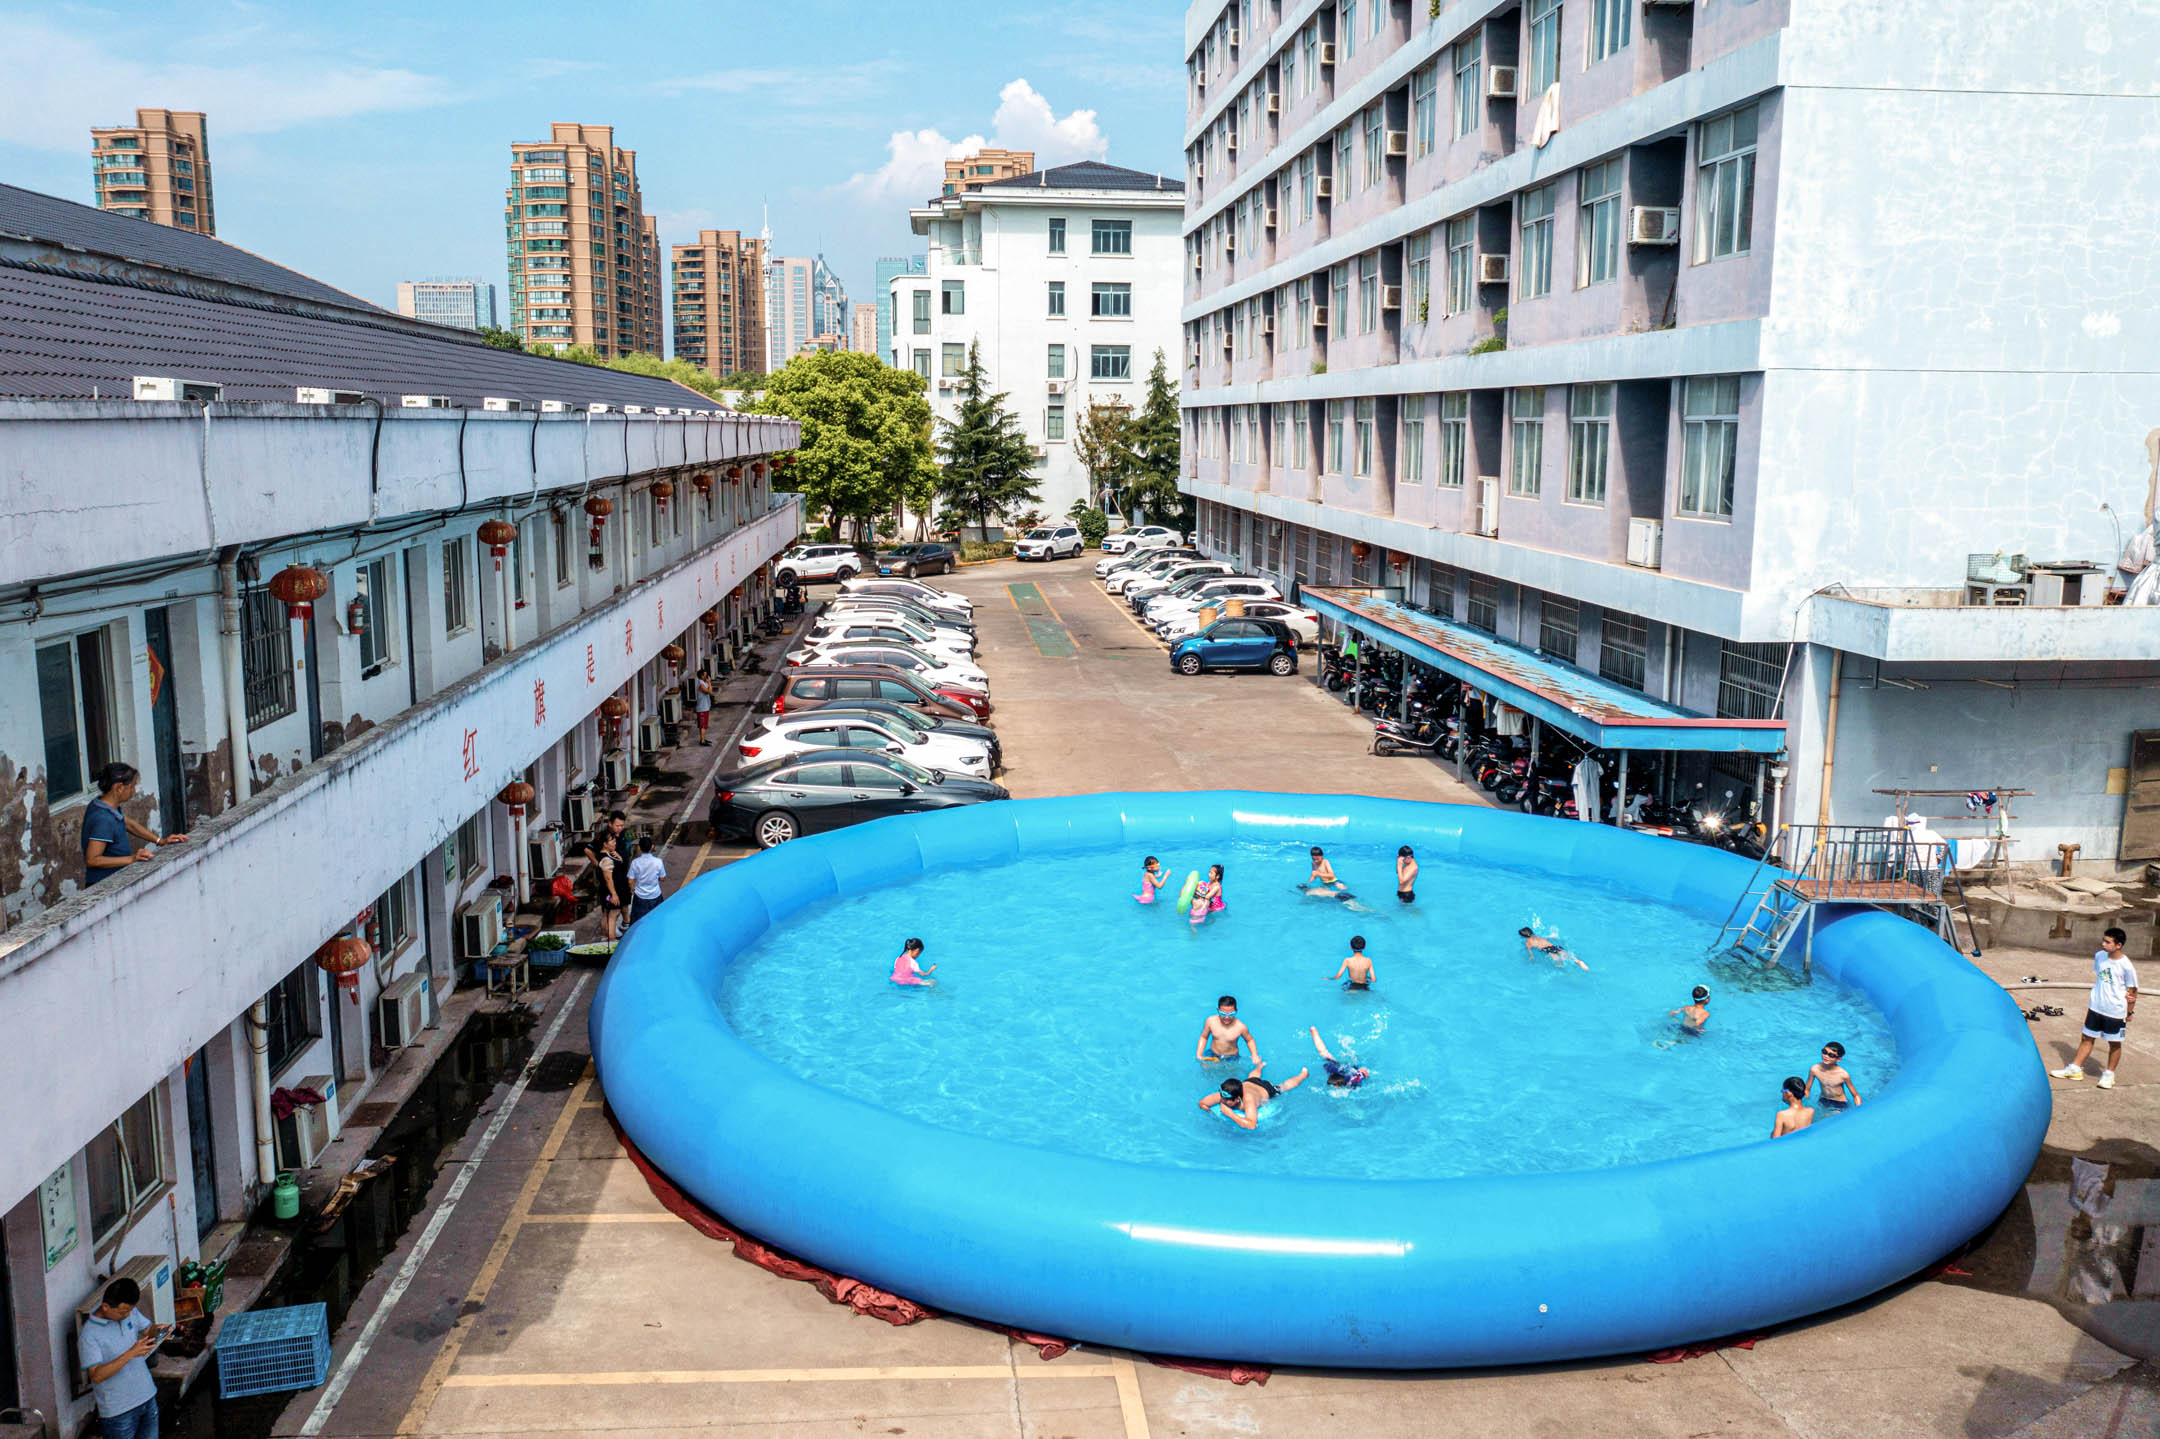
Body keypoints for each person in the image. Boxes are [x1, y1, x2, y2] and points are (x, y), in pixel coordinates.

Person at [2052, 926, 2139, 1089]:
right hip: (2096, 1007)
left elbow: (2133, 990)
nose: (2103, 944)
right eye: (2103, 940)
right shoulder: (2099, 956)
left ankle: (2108, 1075)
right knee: (2086, 1038)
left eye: (2107, 942)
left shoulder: (2126, 966)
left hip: (2114, 1011)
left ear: (2118, 945)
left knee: (2114, 1043)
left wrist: (2129, 1011)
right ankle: (2075, 1069)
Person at [80, 1276, 163, 1439]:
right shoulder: (89, 1335)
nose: (127, 1315)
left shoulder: (129, 1312)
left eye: (130, 1310)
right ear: (105, 1307)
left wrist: (159, 1330)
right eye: (123, 1312)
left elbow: (147, 1329)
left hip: (147, 1397)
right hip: (119, 1412)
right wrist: (131, 1353)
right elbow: (96, 1375)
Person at [81, 762, 187, 886]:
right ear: (119, 787)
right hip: (104, 883)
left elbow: (128, 824)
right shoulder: (103, 819)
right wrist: (132, 858)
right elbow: (92, 859)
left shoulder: (102, 805)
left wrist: (160, 841)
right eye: (132, 786)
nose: (134, 791)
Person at [1199, 1062, 1309, 1129]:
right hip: (1249, 1082)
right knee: (1253, 1076)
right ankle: (1260, 1066)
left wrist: (1230, 1114)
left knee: (1284, 1087)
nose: (1222, 1101)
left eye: (1226, 1100)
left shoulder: (1249, 1101)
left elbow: (1252, 1125)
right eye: (1222, 1098)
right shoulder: (1225, 1095)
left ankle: (1303, 1075)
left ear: (1237, 1099)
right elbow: (1202, 1103)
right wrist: (1213, 1115)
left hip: (1265, 1089)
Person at [1196, 995, 1259, 1065]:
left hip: (1231, 1058)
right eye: (1223, 1014)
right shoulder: (1211, 1021)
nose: (1227, 1017)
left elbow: (1249, 1040)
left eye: (1231, 1014)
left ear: (1236, 1011)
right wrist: (1199, 1054)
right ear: (1218, 1010)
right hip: (1212, 1054)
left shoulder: (1240, 1027)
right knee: (1206, 1071)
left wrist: (1254, 1055)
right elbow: (1204, 1037)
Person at [1807, 1041, 1864, 1110]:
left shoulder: (1843, 1075)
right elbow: (1807, 1089)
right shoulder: (1815, 1069)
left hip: (1839, 1103)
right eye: (1824, 1052)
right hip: (1823, 1099)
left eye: (1831, 1055)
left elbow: (1855, 1095)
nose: (1826, 1056)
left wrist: (1858, 1110)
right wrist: (1805, 1103)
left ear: (1839, 1059)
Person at [625, 836, 666, 926]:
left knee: (639, 923)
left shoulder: (635, 862)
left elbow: (630, 881)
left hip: (640, 896)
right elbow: (662, 878)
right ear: (652, 847)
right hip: (655, 895)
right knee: (657, 920)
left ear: (639, 847)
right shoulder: (658, 862)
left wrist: (633, 890)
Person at [594, 832, 625, 942]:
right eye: (612, 841)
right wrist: (614, 894)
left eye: (615, 840)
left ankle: (606, 936)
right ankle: (611, 939)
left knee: (606, 913)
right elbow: (608, 878)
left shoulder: (608, 854)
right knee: (613, 913)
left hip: (609, 891)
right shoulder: (606, 859)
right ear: (605, 844)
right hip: (610, 891)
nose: (615, 843)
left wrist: (618, 856)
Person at [1519, 926, 1589, 972]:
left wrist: (1531, 957)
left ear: (1523, 936)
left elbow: (1530, 951)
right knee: (1569, 957)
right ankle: (1580, 962)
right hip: (1555, 947)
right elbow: (1547, 938)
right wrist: (1553, 937)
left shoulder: (1527, 942)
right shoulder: (1538, 936)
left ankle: (1567, 971)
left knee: (1559, 962)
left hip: (1548, 950)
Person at [1189, 864, 1225, 928]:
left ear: (1217, 876)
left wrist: (1198, 894)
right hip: (1209, 905)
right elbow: (1205, 892)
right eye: (1209, 872)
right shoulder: (1209, 883)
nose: (1209, 874)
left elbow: (1207, 896)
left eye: (1211, 873)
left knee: (1209, 922)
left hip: (1216, 908)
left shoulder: (1217, 887)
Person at [693, 666, 716, 745]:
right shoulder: (701, 684)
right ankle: (702, 741)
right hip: (702, 708)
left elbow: (710, 690)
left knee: (704, 725)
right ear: (702, 676)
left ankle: (703, 739)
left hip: (705, 706)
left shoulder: (704, 682)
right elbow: (709, 692)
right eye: (705, 675)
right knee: (703, 725)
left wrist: (708, 683)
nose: (707, 676)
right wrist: (709, 682)